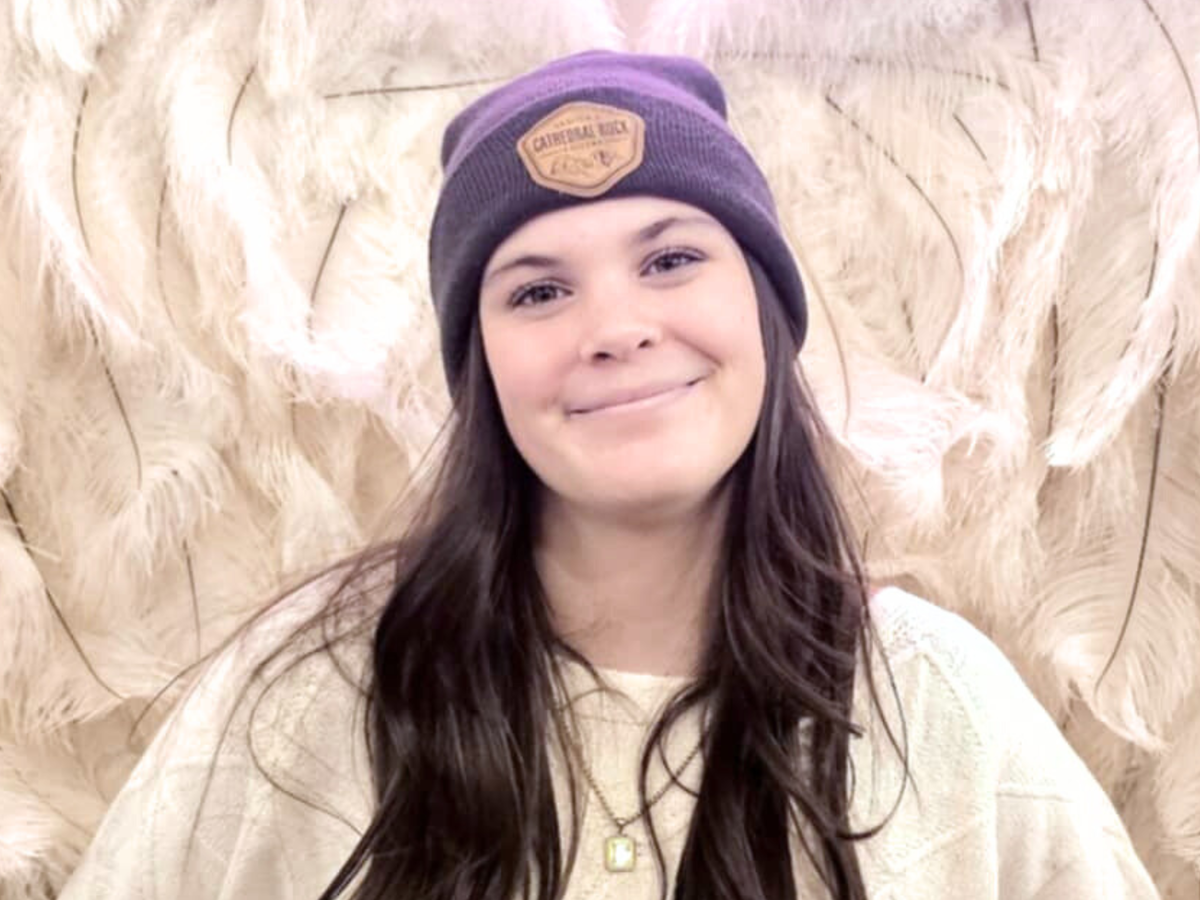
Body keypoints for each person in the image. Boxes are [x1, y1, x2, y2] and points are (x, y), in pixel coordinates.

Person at [58, 49, 1160, 900]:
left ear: (766, 313)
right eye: (538, 291)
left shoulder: (938, 702)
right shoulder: (309, 692)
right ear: (481, 363)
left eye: (672, 259)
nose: (616, 328)